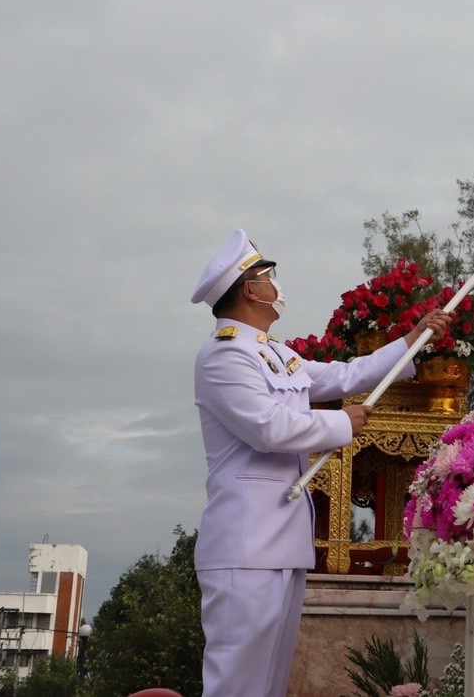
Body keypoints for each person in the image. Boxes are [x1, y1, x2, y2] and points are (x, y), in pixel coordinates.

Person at [190, 230, 450, 697]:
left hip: (282, 543)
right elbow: (268, 428)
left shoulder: (275, 354)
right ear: (250, 289)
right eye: (268, 276)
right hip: (245, 546)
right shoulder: (223, 357)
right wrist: (340, 424)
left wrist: (411, 341)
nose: (275, 286)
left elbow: (342, 375)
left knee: (268, 683)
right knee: (237, 683)